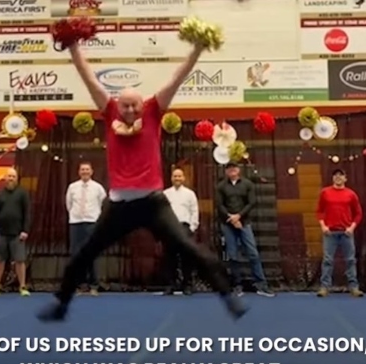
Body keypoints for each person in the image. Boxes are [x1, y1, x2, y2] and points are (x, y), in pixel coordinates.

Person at [37, 40, 247, 321]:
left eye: (134, 105)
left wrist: (197, 49)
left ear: (142, 103)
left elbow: (178, 77)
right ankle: (61, 305)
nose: (130, 111)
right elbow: (88, 77)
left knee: (188, 247)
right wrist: (74, 48)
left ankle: (227, 295)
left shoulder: (153, 110)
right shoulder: (109, 110)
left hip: (152, 203)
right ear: (117, 105)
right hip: (119, 205)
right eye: (125, 106)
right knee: (85, 253)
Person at [216, 163, 275, 297]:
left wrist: (239, 217)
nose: (232, 171)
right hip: (227, 224)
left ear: (239, 170)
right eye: (229, 169)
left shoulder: (248, 184)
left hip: (245, 223)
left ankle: (261, 285)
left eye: (234, 168)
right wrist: (231, 218)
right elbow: (219, 205)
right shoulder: (221, 186)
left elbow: (251, 202)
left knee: (253, 253)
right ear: (226, 171)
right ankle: (237, 285)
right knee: (232, 255)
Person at [316, 169, 364, 297]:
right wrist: (323, 226)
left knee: (350, 260)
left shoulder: (351, 194)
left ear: (345, 178)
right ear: (332, 178)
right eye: (335, 175)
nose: (338, 177)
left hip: (346, 233)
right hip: (330, 233)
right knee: (327, 260)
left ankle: (353, 287)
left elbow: (358, 214)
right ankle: (324, 287)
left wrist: (352, 228)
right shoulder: (325, 193)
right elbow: (319, 211)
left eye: (341, 175)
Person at [0, 168, 31, 297]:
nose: (11, 178)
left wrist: (25, 230)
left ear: (17, 179)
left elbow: (27, 213)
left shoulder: (23, 194)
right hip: (1, 233)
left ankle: (22, 287)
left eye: (13, 176)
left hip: (18, 234)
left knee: (20, 260)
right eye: (9, 176)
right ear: (5, 178)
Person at [66, 162, 106, 296]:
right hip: (76, 223)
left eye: (87, 169)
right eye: (82, 169)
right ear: (79, 172)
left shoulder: (98, 188)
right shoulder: (72, 187)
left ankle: (93, 285)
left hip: (92, 223)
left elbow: (103, 203)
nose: (85, 172)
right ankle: (79, 286)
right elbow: (69, 204)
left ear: (92, 171)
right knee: (76, 255)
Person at [162, 168, 199, 295]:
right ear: (171, 178)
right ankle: (171, 285)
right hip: (169, 228)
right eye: (175, 176)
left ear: (183, 178)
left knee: (186, 258)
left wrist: (192, 227)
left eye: (179, 176)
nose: (177, 178)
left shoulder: (190, 194)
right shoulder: (165, 194)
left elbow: (195, 211)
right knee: (169, 258)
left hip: (184, 227)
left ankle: (187, 285)